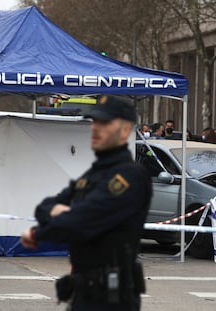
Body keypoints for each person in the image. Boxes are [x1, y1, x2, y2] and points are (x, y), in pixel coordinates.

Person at [21, 95, 152, 310]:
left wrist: (38, 234)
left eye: (105, 123)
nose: (96, 128)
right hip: (83, 293)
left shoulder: (130, 177)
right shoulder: (92, 175)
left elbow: (80, 221)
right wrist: (60, 212)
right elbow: (44, 206)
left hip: (113, 299)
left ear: (126, 130)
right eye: (95, 122)